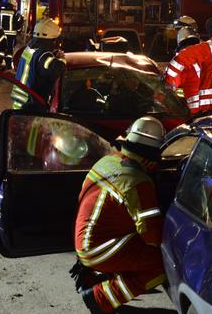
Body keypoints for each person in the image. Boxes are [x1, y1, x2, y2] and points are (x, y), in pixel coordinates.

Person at [72, 116, 166, 313]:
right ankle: (100, 298)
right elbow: (152, 236)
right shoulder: (139, 182)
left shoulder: (108, 161)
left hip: (84, 238)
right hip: (100, 248)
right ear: (150, 156)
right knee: (161, 264)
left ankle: (97, 275)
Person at [11, 18, 66, 109]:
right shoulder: (44, 55)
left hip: (20, 99)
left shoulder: (30, 49)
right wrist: (62, 59)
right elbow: (55, 70)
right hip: (31, 103)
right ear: (53, 39)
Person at [0, 0, 24, 68]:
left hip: (1, 34)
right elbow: (19, 24)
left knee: (1, 48)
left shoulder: (0, 11)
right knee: (9, 50)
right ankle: (8, 65)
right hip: (11, 35)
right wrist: (19, 30)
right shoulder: (16, 13)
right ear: (13, 5)